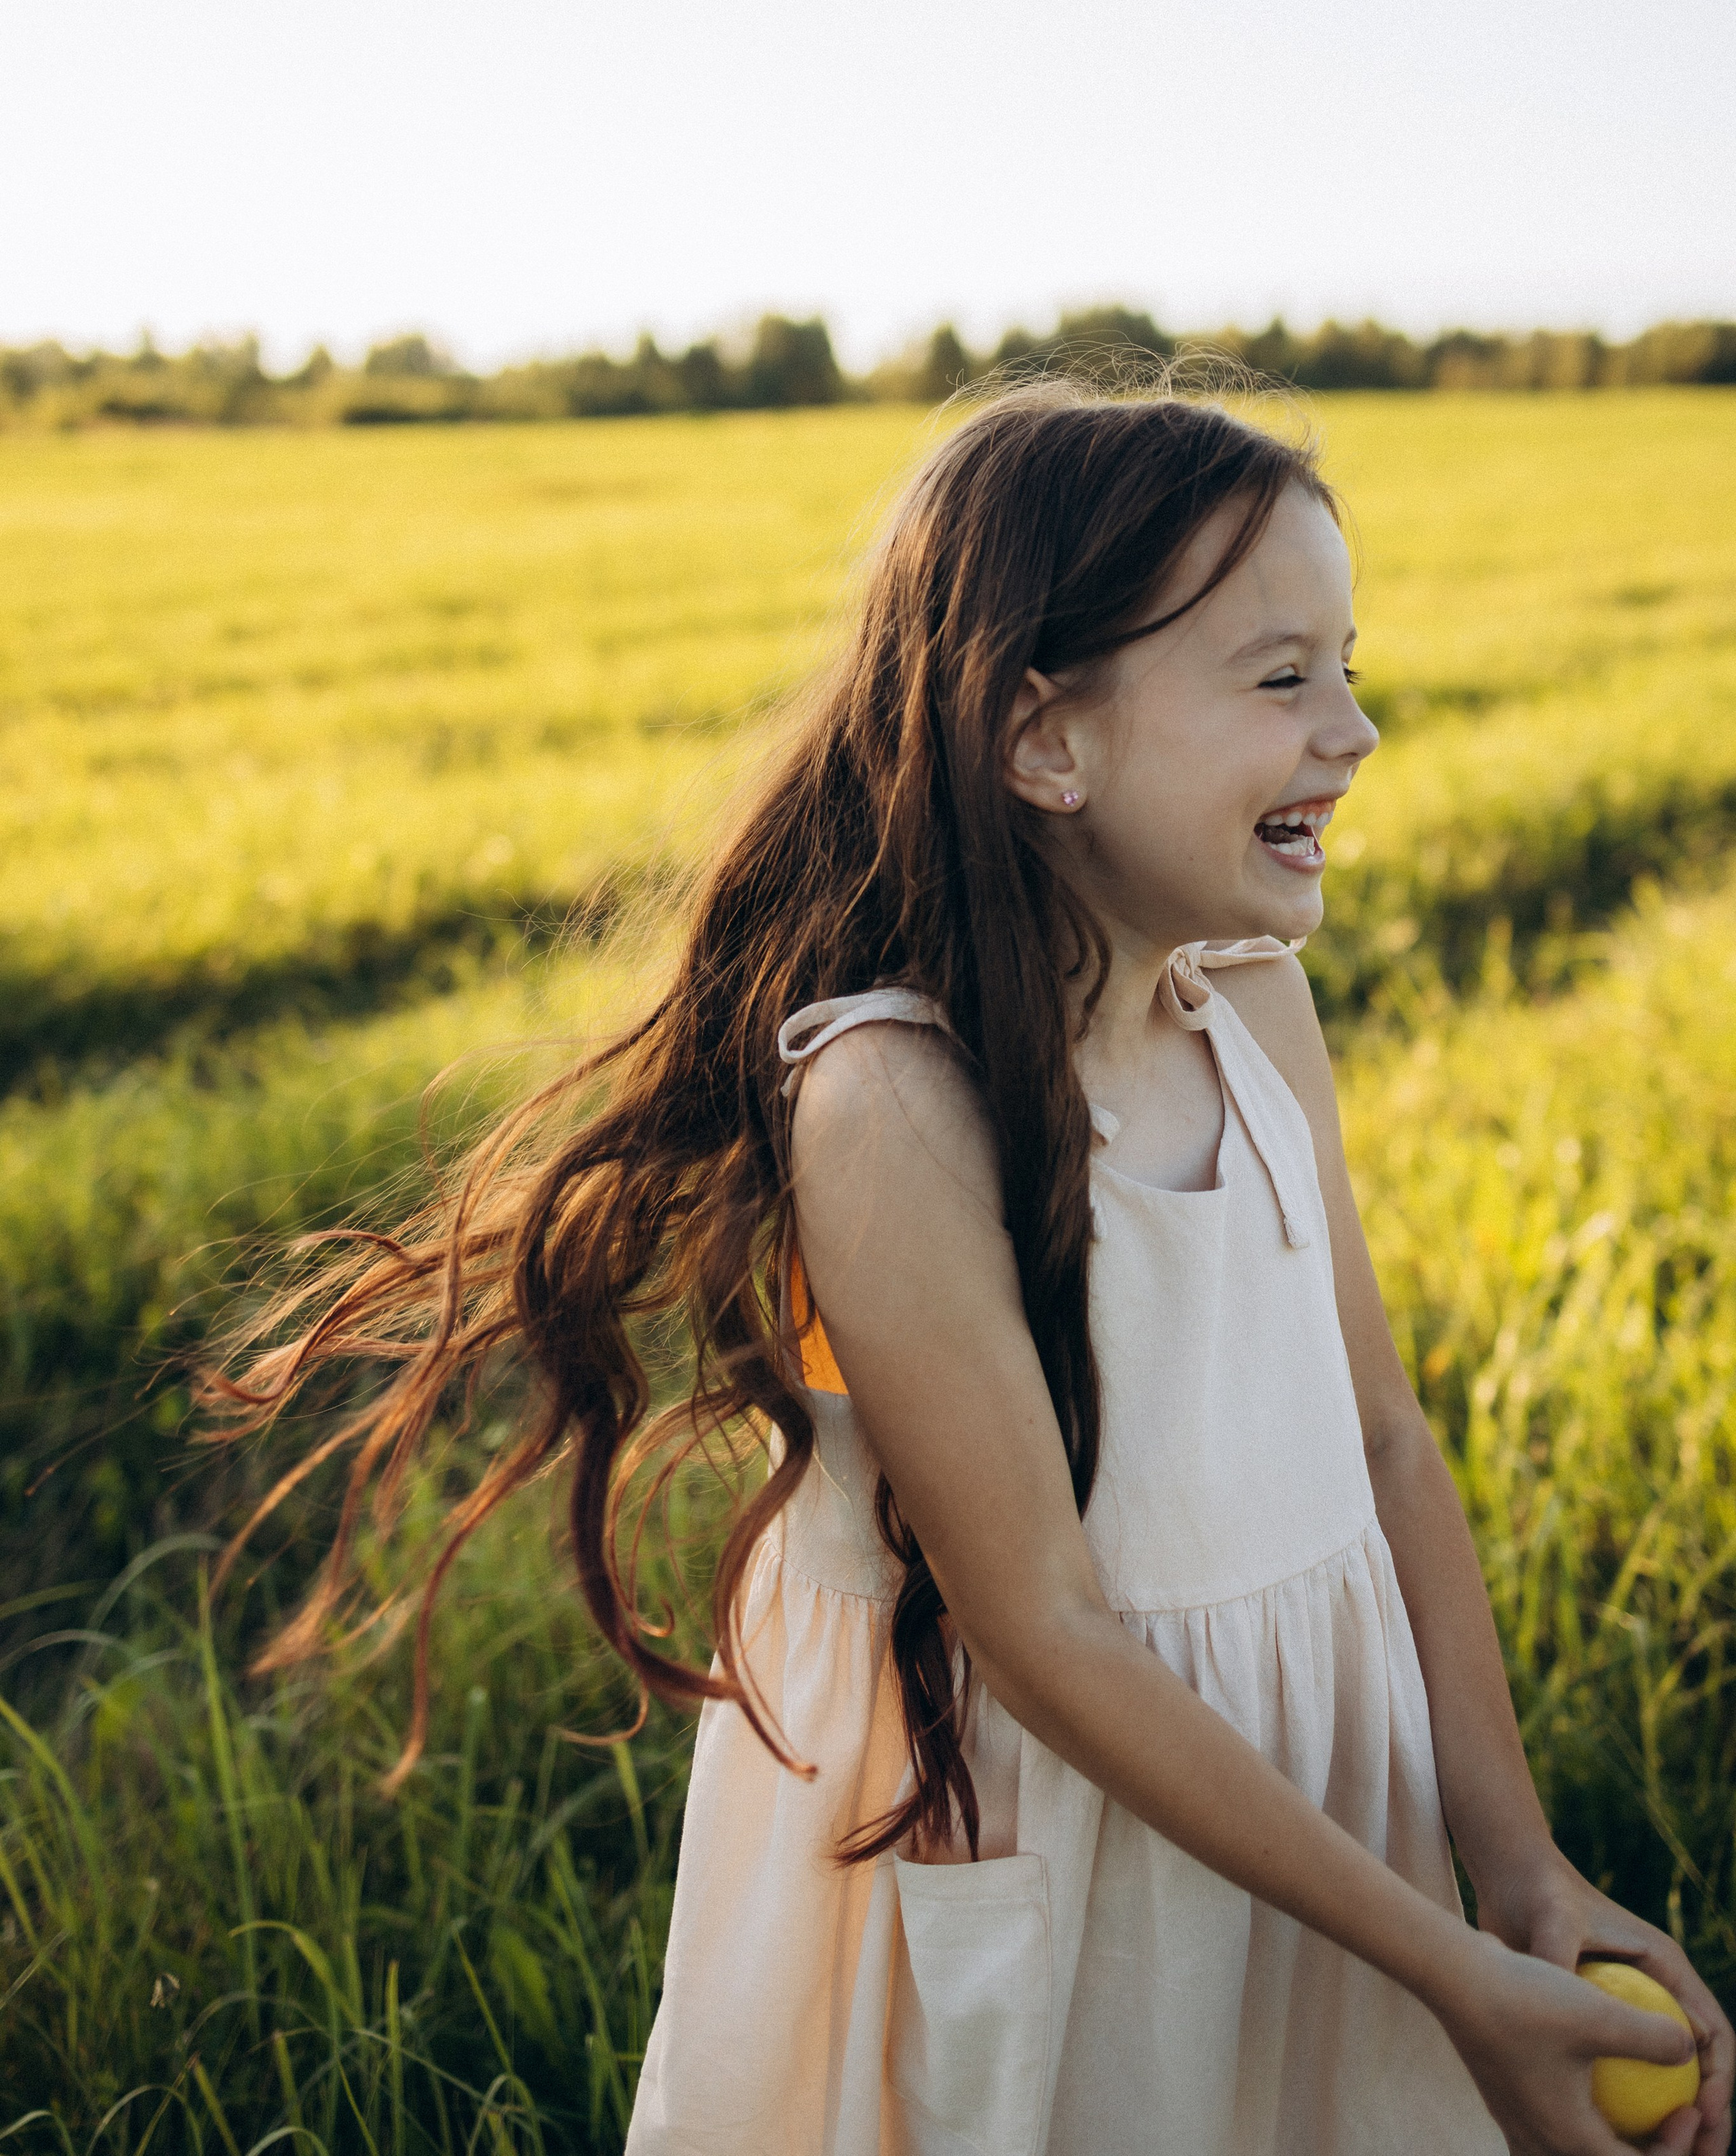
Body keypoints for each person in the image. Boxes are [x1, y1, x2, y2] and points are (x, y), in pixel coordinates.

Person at [222, 387, 1733, 2155]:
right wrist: (1448, 1971)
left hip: (1324, 1831)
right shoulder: (893, 1103)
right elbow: (1047, 1629)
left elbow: (1385, 1441)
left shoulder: (1253, 1006)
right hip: (1071, 1851)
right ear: (1043, 738)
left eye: (1349, 665)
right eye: (1280, 679)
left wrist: (1520, 1875)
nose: (1356, 728)